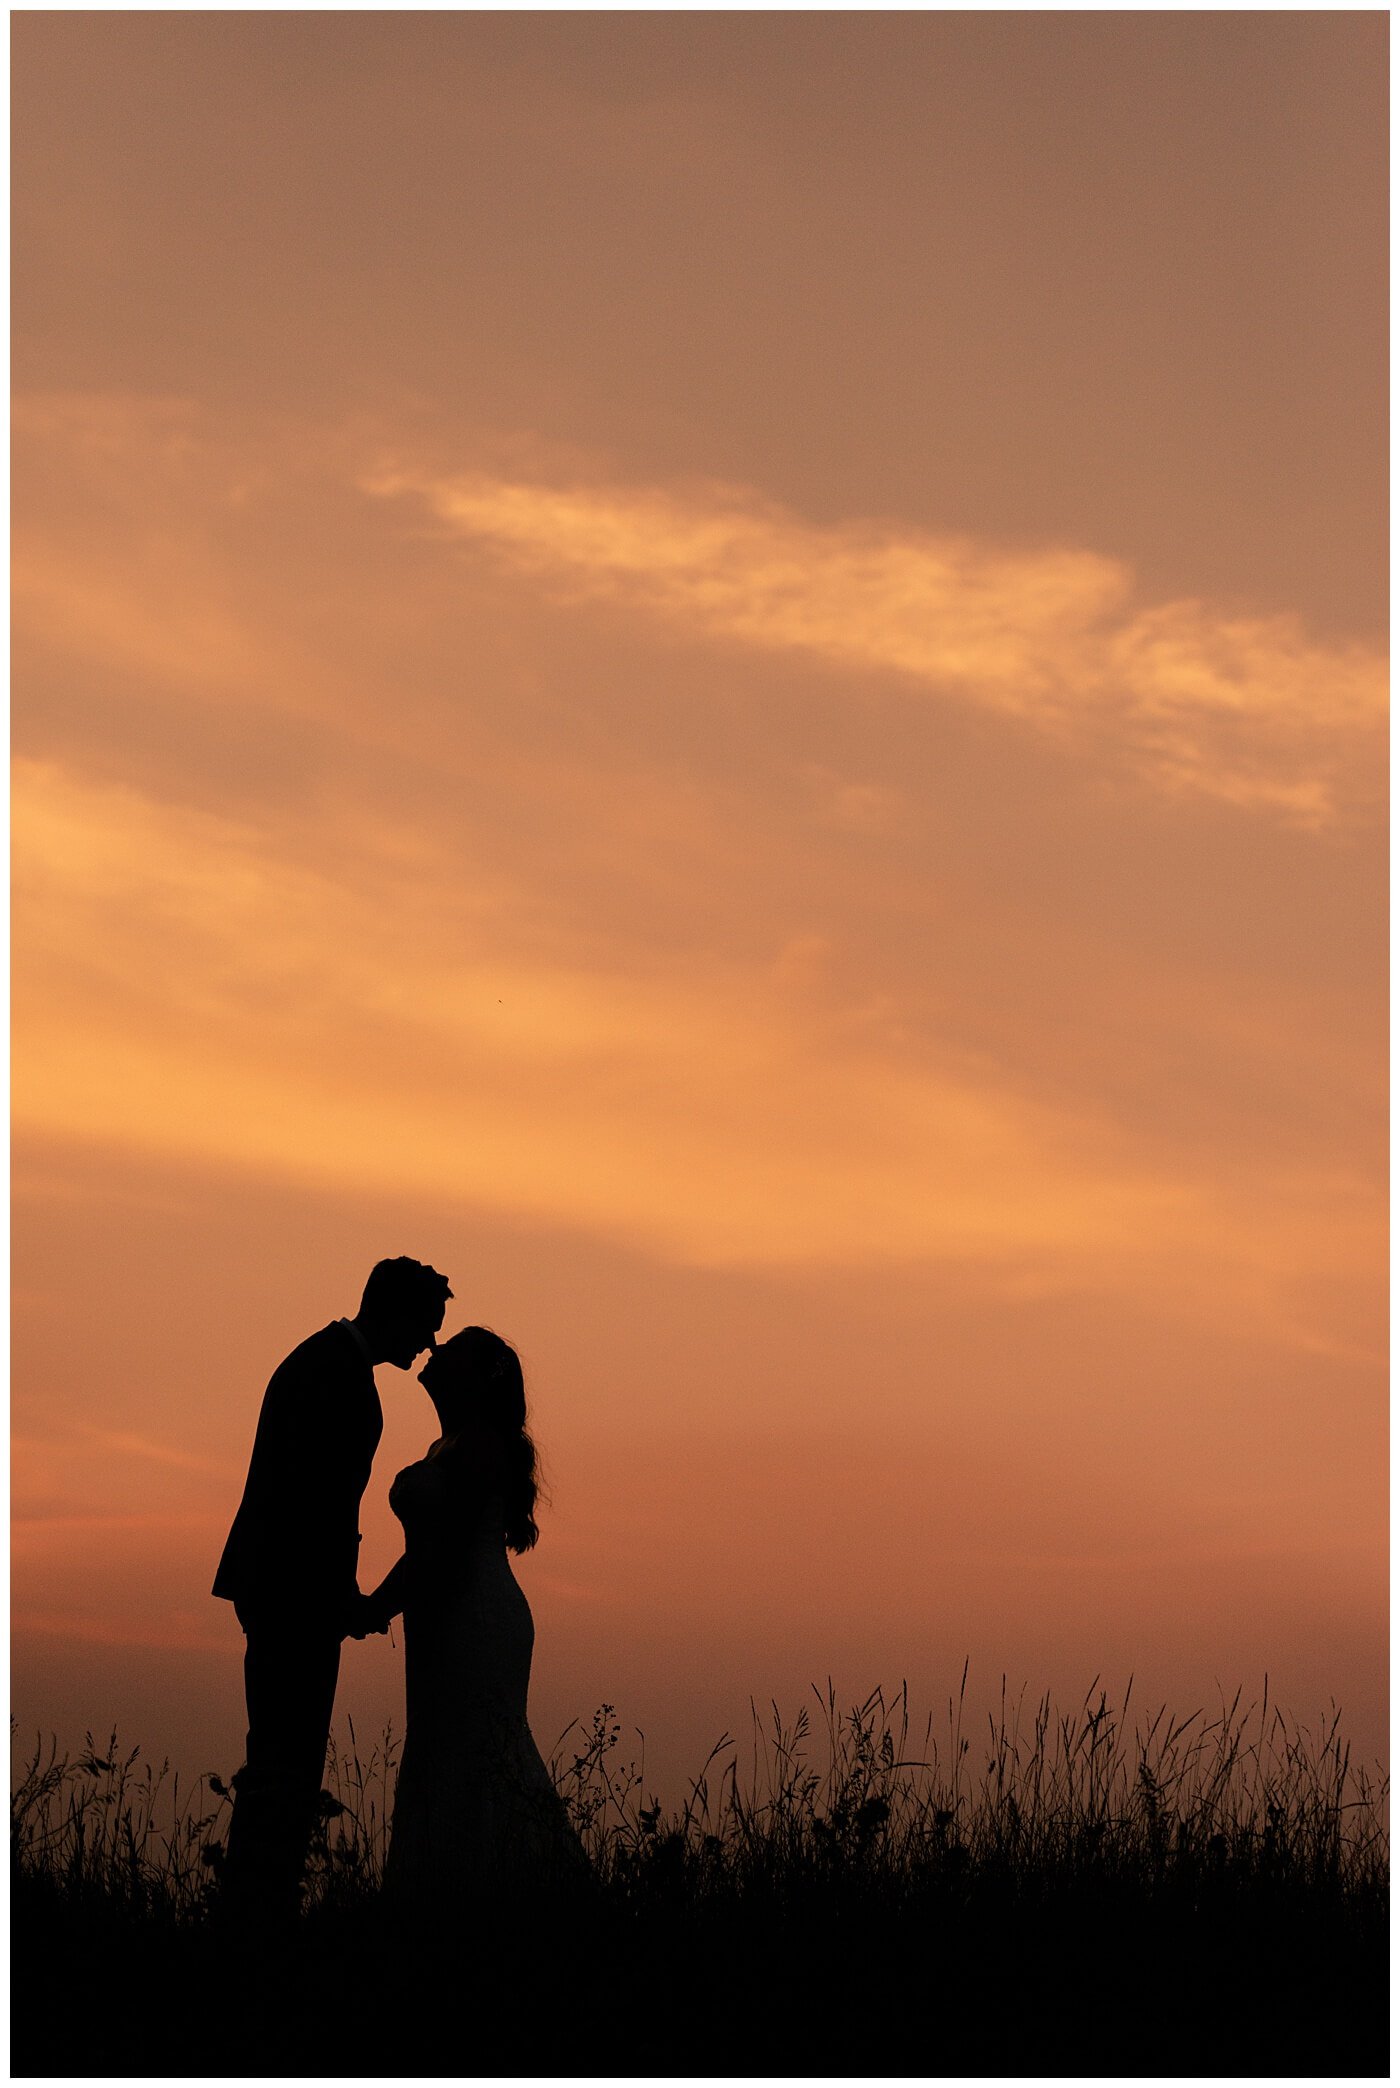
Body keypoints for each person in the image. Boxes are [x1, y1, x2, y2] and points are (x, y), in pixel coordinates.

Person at [212, 1256, 452, 1923]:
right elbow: (314, 1502)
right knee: (286, 1761)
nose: (428, 1344)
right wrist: (343, 1598)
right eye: (426, 1327)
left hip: (287, 1588)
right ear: (394, 1311)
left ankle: (257, 1902)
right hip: (295, 1596)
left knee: (279, 1756)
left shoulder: (321, 1362)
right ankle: (259, 1908)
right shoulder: (335, 1375)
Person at [368, 1326, 587, 1906]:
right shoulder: (450, 1443)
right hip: (443, 1614)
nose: (436, 1352)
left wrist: (374, 1607)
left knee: (476, 1747)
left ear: (474, 1376)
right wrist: (381, 1603)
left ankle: (502, 1897)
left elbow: (442, 1547)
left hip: (476, 1616)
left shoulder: (482, 1446)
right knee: (442, 1745)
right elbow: (429, 1551)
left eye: (453, 1350)